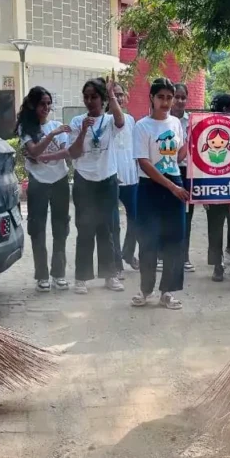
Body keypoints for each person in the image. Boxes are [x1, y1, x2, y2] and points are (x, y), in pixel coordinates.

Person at [132, 78, 189, 308]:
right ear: (152, 98)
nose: (166, 102)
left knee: (175, 240)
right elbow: (143, 162)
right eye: (161, 97)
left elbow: (178, 156)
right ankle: (145, 291)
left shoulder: (176, 123)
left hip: (174, 182)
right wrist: (171, 186)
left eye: (169, 97)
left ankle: (168, 292)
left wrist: (192, 140)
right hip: (150, 187)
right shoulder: (142, 126)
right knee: (148, 241)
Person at [68, 77, 126, 294]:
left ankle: (109, 275)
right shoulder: (76, 121)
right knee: (85, 229)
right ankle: (81, 278)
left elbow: (121, 122)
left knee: (106, 229)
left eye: (94, 97)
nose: (89, 101)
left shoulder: (110, 121)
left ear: (102, 99)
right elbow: (73, 153)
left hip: (107, 181)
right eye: (86, 97)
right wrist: (83, 131)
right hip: (84, 181)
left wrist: (112, 95)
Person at [15, 86, 71, 292]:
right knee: (37, 229)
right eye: (42, 104)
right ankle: (42, 276)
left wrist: (45, 155)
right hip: (38, 182)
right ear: (33, 105)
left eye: (48, 103)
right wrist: (51, 135)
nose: (46, 107)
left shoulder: (57, 125)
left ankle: (59, 273)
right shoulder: (26, 128)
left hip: (60, 181)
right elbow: (34, 150)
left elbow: (68, 153)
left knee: (61, 228)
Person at [205, 94, 230, 281]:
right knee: (215, 228)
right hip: (214, 186)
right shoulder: (208, 127)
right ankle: (217, 265)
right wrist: (202, 192)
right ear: (226, 108)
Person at [110, 82, 139, 275]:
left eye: (121, 94)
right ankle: (115, 263)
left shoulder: (131, 120)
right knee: (113, 224)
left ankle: (128, 253)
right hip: (112, 176)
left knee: (136, 218)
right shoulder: (104, 120)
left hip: (132, 176)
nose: (119, 98)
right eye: (115, 95)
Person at [172, 83, 195, 272]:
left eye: (183, 97)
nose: (179, 101)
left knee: (186, 215)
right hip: (168, 172)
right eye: (176, 97)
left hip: (189, 173)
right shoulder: (163, 120)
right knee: (167, 214)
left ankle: (184, 256)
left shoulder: (193, 121)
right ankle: (164, 255)